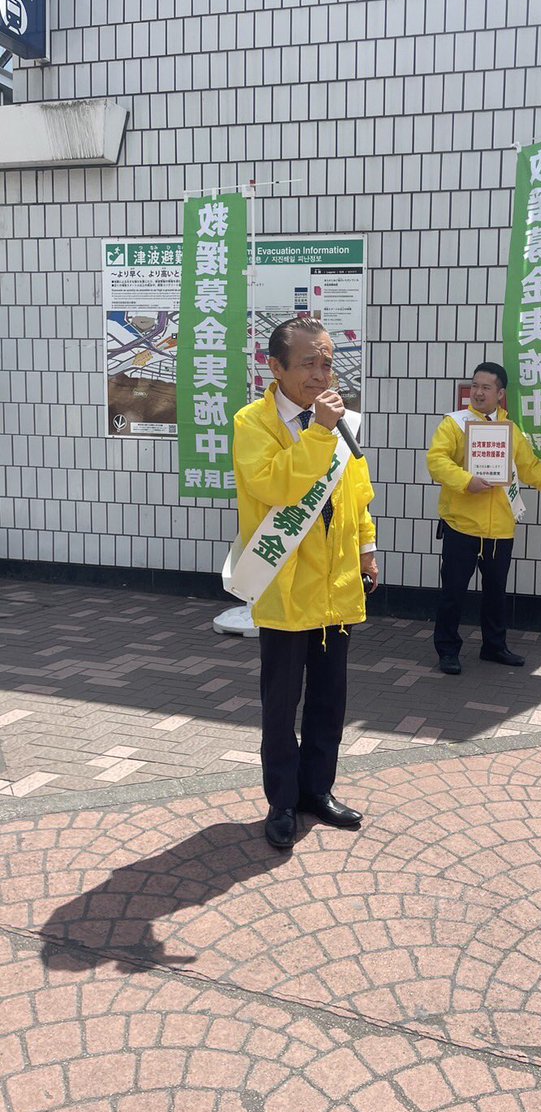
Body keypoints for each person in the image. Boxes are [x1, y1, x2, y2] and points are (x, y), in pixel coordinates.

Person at [233, 317, 378, 849]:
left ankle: (318, 790)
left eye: (327, 363)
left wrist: (367, 549)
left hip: (336, 585)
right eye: (309, 364)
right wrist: (319, 432)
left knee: (329, 700)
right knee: (281, 704)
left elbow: (357, 492)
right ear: (275, 367)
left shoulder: (340, 422)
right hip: (286, 587)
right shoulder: (254, 422)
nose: (321, 374)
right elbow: (274, 485)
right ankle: (282, 801)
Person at [427, 362, 541, 674]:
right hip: (461, 525)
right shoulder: (454, 424)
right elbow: (437, 461)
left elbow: (531, 469)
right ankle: (447, 650)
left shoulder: (510, 431)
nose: (478, 392)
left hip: (500, 528)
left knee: (496, 594)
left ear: (500, 394)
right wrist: (466, 481)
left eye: (486, 387)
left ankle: (494, 646)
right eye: (475, 386)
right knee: (453, 593)